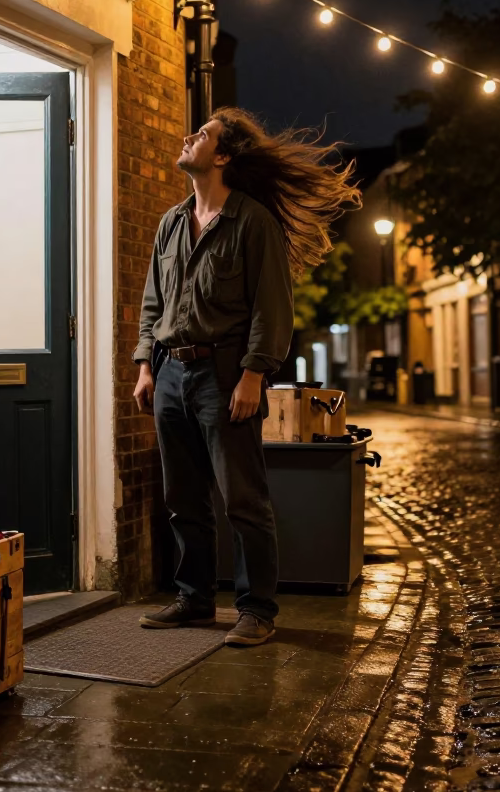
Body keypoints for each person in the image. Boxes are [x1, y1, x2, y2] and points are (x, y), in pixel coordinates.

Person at [131, 107, 361, 646]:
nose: (189, 138)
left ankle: (257, 608)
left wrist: (254, 374)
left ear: (224, 155)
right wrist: (145, 364)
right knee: (182, 497)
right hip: (168, 373)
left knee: (242, 499)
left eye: (203, 135)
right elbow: (152, 301)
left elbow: (272, 309)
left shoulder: (253, 222)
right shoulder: (171, 222)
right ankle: (193, 601)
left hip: (224, 371)